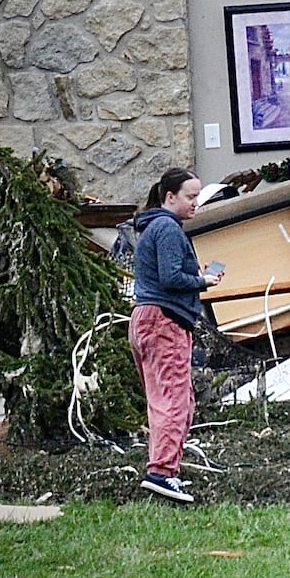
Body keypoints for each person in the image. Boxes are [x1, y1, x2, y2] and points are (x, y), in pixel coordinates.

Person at [129, 167, 223, 503]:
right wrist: (203, 281)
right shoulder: (168, 228)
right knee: (174, 400)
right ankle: (162, 473)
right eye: (191, 196)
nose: (196, 202)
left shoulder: (153, 226)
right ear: (170, 197)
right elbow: (170, 278)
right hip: (164, 321)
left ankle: (164, 471)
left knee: (163, 400)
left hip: (145, 318)